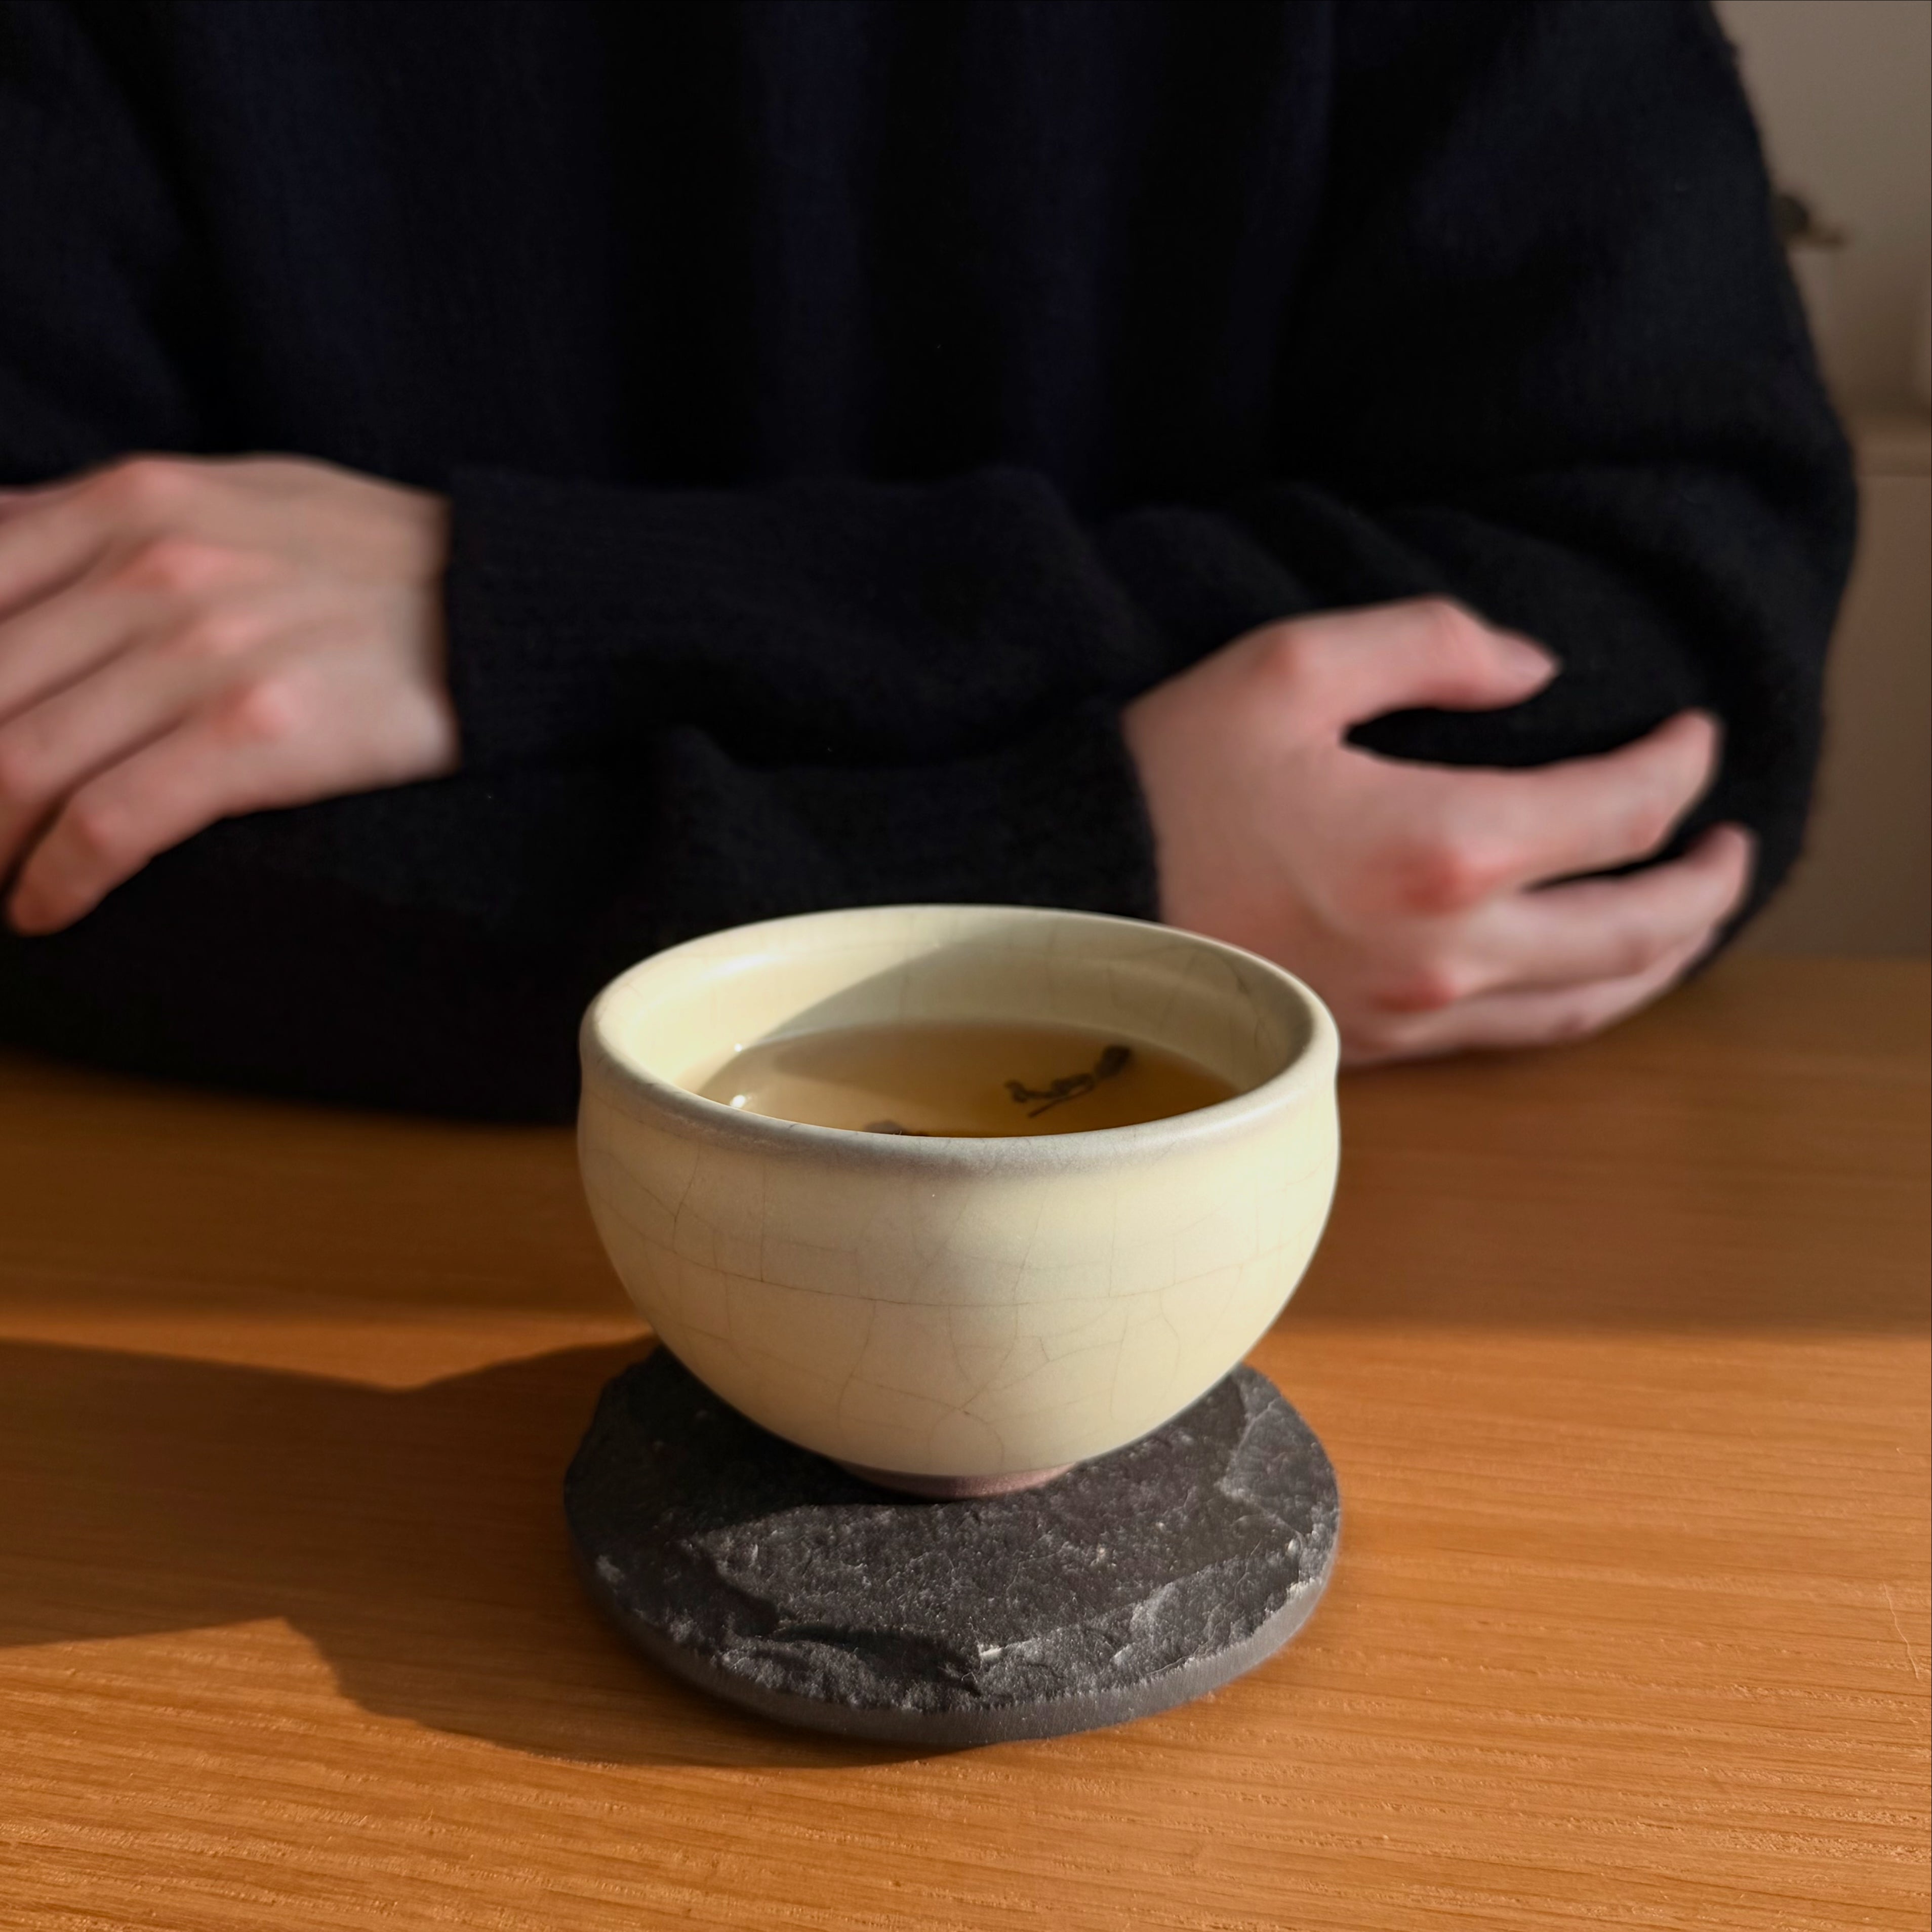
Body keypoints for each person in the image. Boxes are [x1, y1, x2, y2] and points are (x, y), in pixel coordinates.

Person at [0, 0, 1853, 1120]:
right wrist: (1083, 892)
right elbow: (41, 805)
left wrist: (532, 605)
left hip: (1329, 1271)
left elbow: (1662, 655)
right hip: (253, 1287)